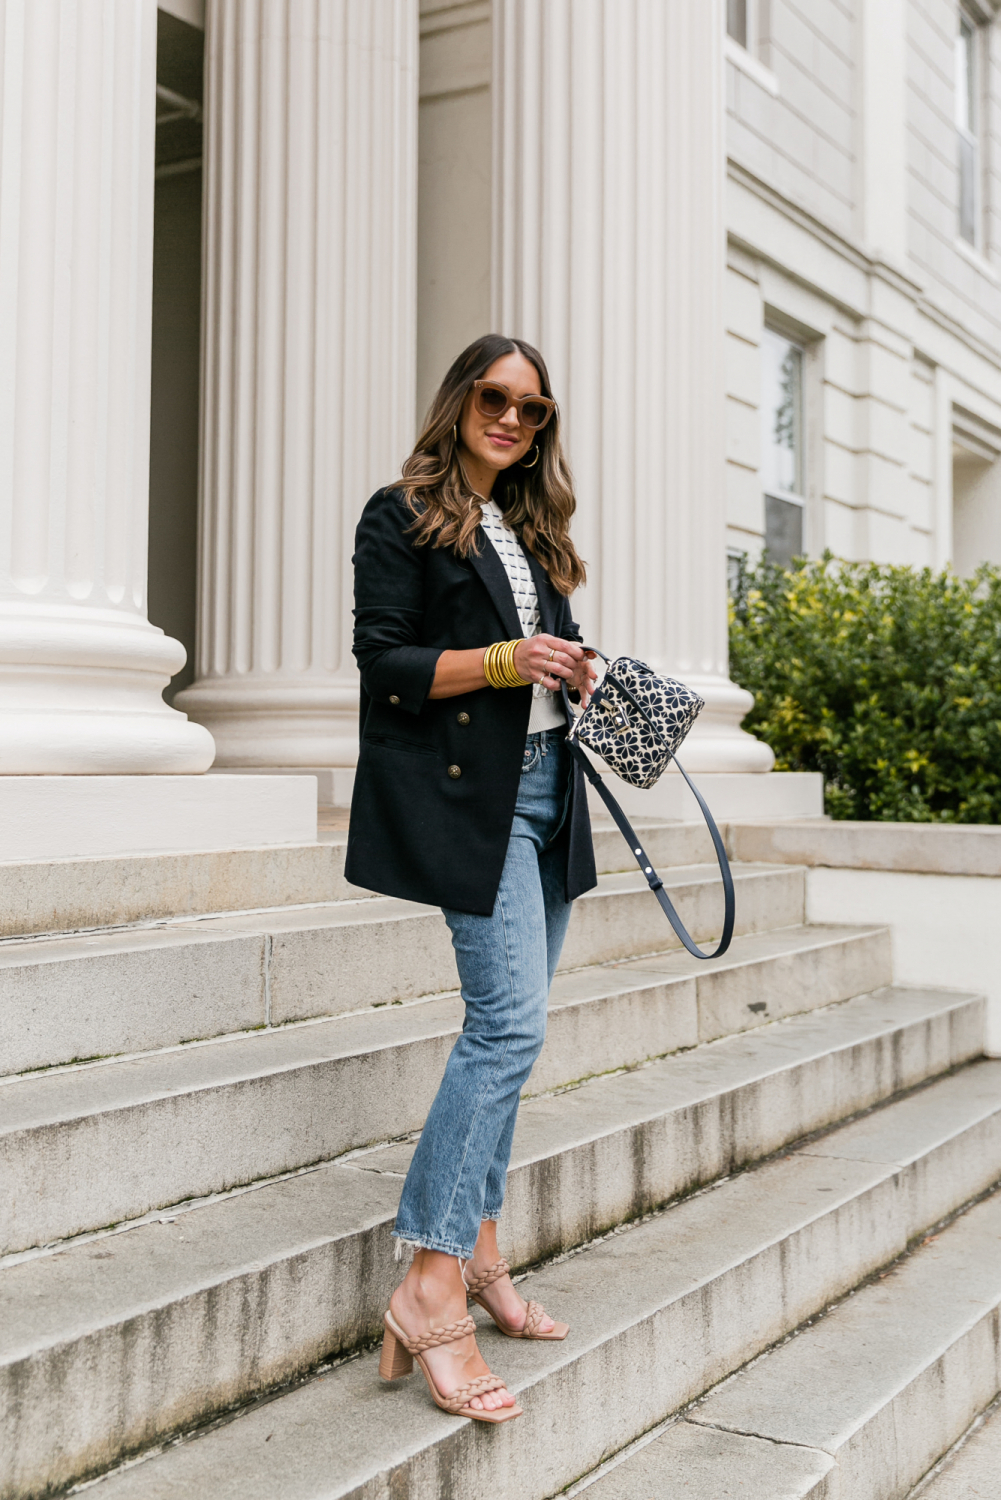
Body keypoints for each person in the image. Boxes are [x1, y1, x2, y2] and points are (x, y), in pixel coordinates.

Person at [346, 333, 597, 1424]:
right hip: (471, 802)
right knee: (506, 1027)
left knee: (515, 1030)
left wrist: (578, 663)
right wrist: (502, 663)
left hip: (548, 796)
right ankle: (430, 1279)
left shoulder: (532, 530)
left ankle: (483, 1251)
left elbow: (553, 648)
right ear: (458, 401)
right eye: (493, 398)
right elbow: (383, 661)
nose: (509, 418)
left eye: (530, 409)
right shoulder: (399, 514)